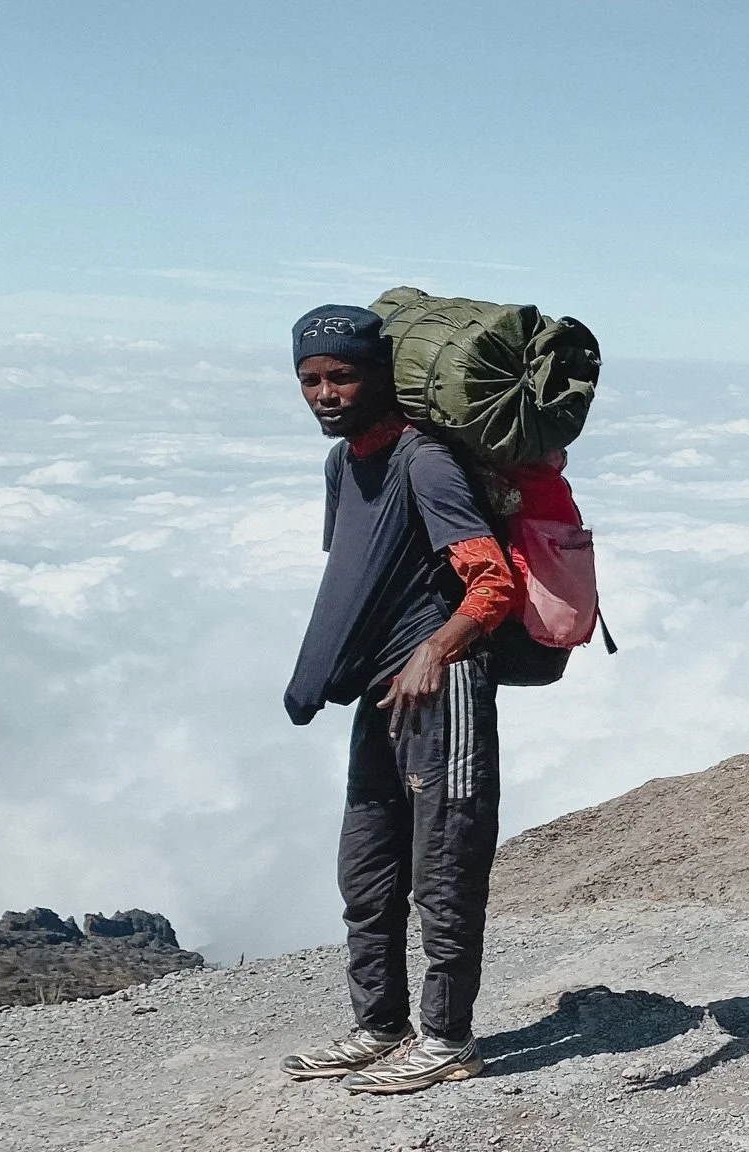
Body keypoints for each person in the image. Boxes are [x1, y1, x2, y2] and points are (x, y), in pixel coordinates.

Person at [276, 305, 519, 1093]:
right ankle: (381, 1026)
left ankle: (449, 1040)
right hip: (380, 697)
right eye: (310, 380)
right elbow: (358, 576)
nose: (325, 394)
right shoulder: (343, 464)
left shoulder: (426, 463)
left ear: (380, 377)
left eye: (342, 376)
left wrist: (435, 650)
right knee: (368, 874)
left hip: (443, 690)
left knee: (444, 870)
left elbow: (493, 585)